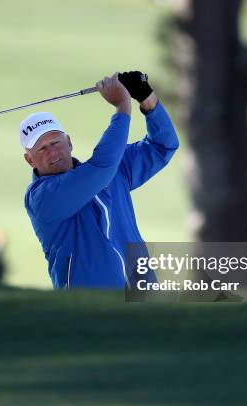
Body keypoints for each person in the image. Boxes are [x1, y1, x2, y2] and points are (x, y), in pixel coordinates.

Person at [20, 71, 179, 289]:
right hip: (89, 310)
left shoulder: (113, 170)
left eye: (56, 142)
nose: (52, 152)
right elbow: (101, 168)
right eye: (42, 148)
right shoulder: (41, 198)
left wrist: (146, 97)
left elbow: (163, 146)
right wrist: (122, 107)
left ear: (69, 142)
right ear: (30, 160)